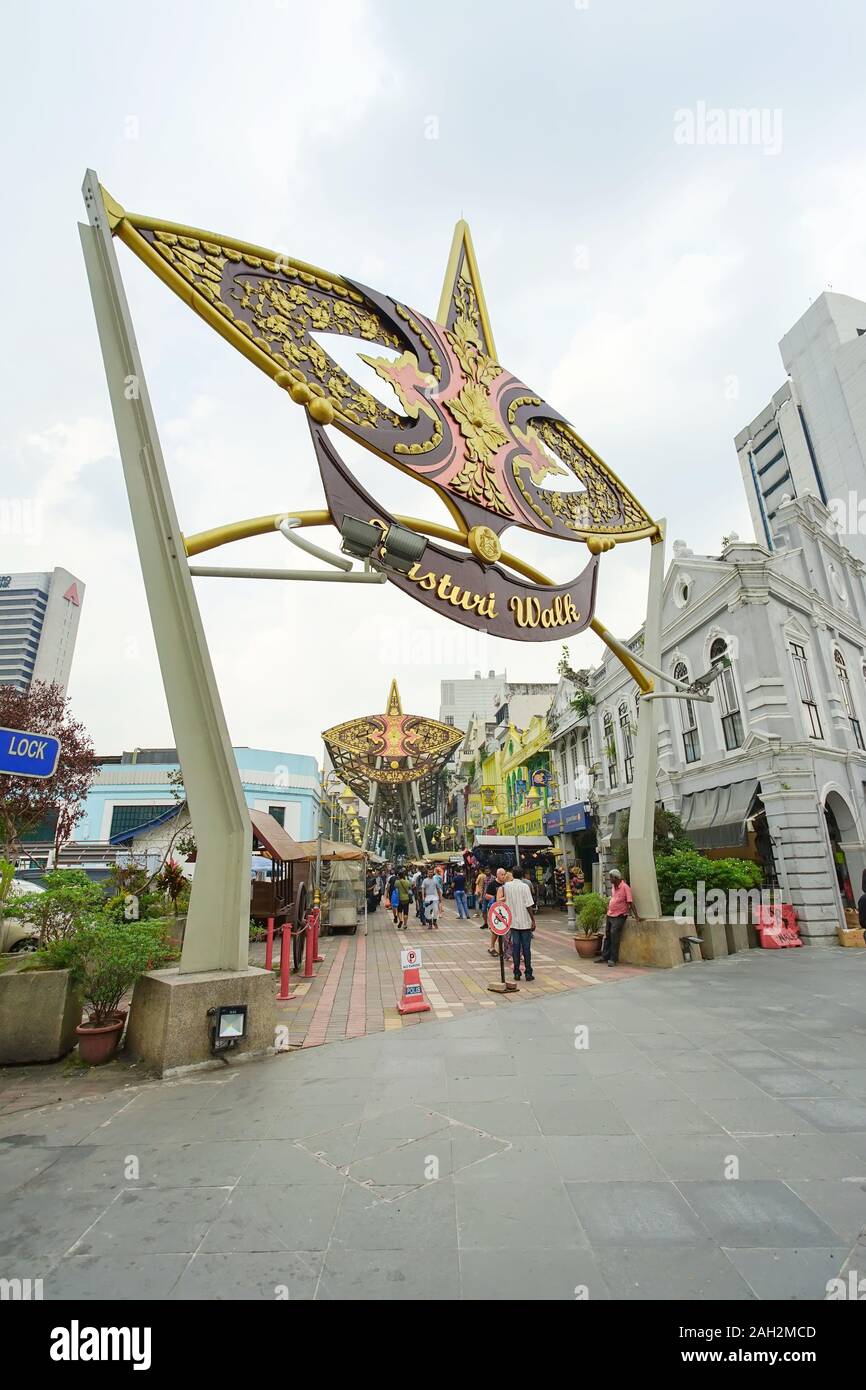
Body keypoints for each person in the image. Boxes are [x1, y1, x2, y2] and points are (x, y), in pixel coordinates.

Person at [498, 865, 537, 982]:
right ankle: (528, 973)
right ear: (522, 875)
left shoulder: (507, 886)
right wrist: (533, 920)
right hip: (524, 922)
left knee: (515, 947)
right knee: (526, 949)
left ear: (513, 875)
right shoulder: (524, 887)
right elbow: (529, 905)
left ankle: (516, 973)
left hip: (513, 922)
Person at [600, 868, 640, 966]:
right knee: (608, 934)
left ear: (616, 878)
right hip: (610, 914)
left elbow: (630, 902)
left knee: (614, 935)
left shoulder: (625, 887)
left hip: (619, 915)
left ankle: (613, 959)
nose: (610, 880)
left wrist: (637, 916)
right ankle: (605, 956)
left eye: (611, 878)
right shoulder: (614, 887)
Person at [487, 867, 507, 954]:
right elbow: (487, 896)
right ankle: (492, 947)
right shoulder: (492, 884)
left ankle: (501, 949)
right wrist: (496, 898)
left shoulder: (507, 885)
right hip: (495, 910)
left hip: (504, 910)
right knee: (495, 930)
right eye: (502, 874)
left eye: (504, 874)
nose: (503, 876)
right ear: (497, 875)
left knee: (503, 931)